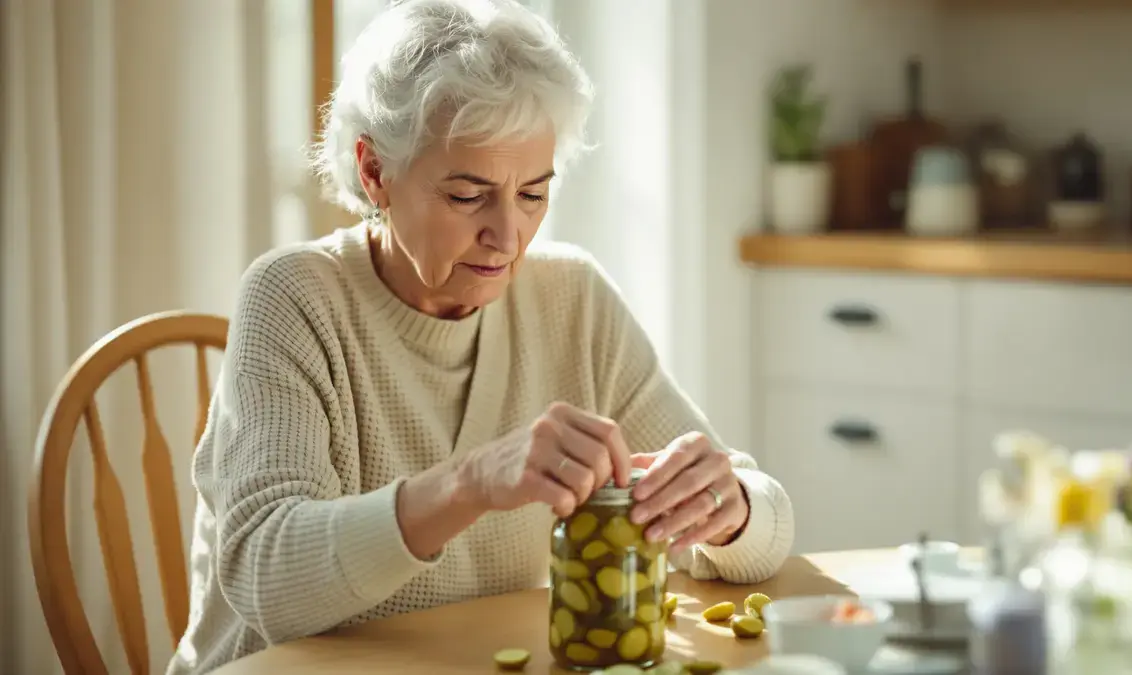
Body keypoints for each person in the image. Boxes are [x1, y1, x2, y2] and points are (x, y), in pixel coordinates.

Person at [167, 0, 794, 672]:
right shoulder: (293, 296)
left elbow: (764, 531)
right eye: (468, 196)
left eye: (532, 193)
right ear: (375, 171)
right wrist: (470, 482)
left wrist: (730, 510)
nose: (508, 235)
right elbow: (270, 583)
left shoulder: (572, 298)